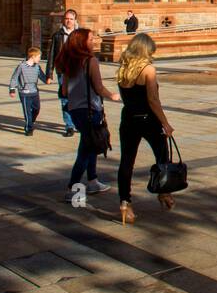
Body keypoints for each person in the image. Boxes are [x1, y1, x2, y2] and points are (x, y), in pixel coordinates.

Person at [115, 32, 176, 225]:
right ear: (147, 49)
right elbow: (153, 100)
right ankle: (163, 192)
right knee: (162, 156)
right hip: (148, 119)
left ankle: (125, 203)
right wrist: (165, 123)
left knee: (126, 162)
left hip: (128, 119)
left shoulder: (124, 68)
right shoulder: (148, 69)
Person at [56, 27, 120, 198]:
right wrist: (111, 95)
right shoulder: (91, 61)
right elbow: (98, 87)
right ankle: (72, 190)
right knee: (84, 151)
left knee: (90, 145)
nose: (94, 41)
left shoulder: (69, 60)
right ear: (82, 42)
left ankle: (92, 181)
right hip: (90, 110)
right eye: (90, 39)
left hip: (75, 110)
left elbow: (64, 91)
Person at [49, 9, 79, 136]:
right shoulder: (57, 35)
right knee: (65, 99)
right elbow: (51, 55)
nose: (68, 21)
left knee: (78, 99)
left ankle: (78, 123)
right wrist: (49, 73)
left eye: (71, 19)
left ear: (75, 20)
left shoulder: (80, 35)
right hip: (62, 72)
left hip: (77, 72)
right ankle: (69, 126)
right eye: (66, 18)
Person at [9, 46, 49, 134]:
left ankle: (31, 120)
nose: (40, 58)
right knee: (27, 111)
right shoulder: (21, 66)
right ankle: (29, 128)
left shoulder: (37, 67)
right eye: (39, 57)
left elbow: (42, 76)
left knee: (37, 109)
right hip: (24, 93)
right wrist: (12, 89)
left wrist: (47, 79)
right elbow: (14, 78)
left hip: (34, 92)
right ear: (33, 56)